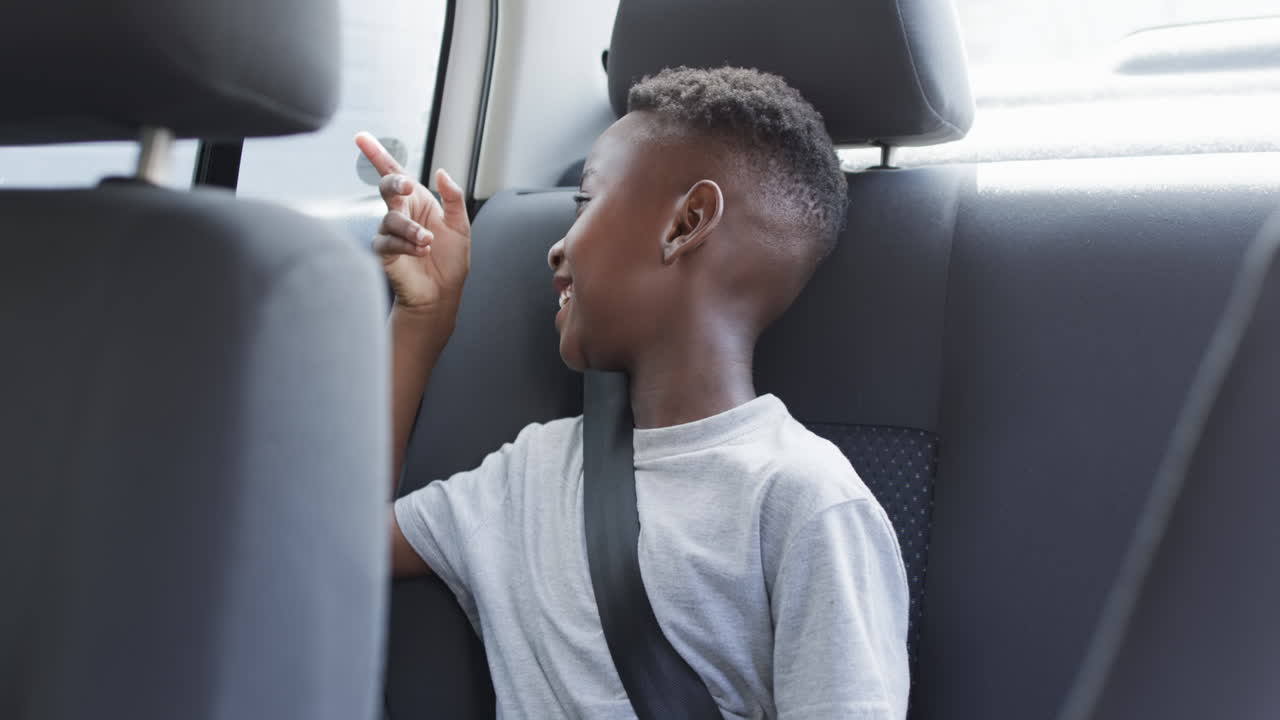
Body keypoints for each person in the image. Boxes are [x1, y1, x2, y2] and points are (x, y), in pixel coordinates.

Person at [356, 66, 910, 719]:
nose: (556, 249)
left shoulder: (805, 500)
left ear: (686, 223)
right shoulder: (530, 473)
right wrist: (422, 321)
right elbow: (340, 543)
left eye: (585, 202)